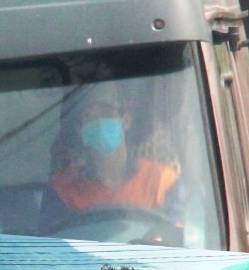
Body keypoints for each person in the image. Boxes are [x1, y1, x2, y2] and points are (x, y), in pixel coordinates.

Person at [41, 88, 179, 230]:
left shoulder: (162, 180)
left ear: (126, 120)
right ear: (80, 130)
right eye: (89, 117)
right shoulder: (61, 190)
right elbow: (51, 244)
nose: (99, 122)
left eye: (106, 112)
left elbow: (178, 239)